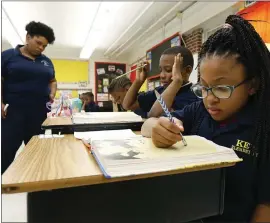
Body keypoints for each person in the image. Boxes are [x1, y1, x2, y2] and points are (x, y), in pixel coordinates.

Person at [141, 15, 270, 222]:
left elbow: (265, 206)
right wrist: (158, 128)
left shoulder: (263, 128)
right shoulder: (199, 110)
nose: (210, 98)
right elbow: (148, 124)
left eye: (221, 88)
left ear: (252, 85)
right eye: (204, 87)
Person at [1, 21, 57, 174]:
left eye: (44, 46)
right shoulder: (7, 56)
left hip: (39, 114)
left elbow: (53, 81)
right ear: (27, 37)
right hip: (12, 113)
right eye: (39, 43)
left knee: (37, 153)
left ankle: (36, 186)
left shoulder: (46, 61)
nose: (41, 48)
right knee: (6, 152)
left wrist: (52, 92)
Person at [122, 46, 198, 118]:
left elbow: (154, 116)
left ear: (187, 70)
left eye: (168, 70)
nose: (161, 75)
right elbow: (128, 105)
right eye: (161, 70)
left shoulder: (195, 97)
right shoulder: (159, 91)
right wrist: (138, 81)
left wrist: (176, 82)